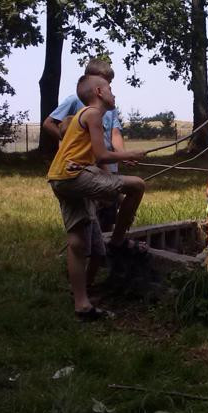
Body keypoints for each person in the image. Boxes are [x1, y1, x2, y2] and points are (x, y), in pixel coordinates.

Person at [47, 74, 146, 321]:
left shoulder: (83, 115)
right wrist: (130, 154)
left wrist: (116, 166)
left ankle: (82, 305)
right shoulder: (93, 114)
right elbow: (102, 155)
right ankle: (118, 240)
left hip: (59, 178)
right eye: (110, 89)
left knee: (77, 242)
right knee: (137, 185)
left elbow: (88, 154)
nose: (114, 93)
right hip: (75, 177)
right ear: (100, 92)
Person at [43, 57, 125, 231]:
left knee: (109, 211)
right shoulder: (75, 100)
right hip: (85, 167)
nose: (108, 85)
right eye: (105, 81)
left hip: (107, 163)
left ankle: (109, 241)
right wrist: (68, 139)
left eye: (109, 82)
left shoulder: (110, 106)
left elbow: (115, 133)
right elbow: (49, 123)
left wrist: (122, 154)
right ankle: (95, 239)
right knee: (90, 211)